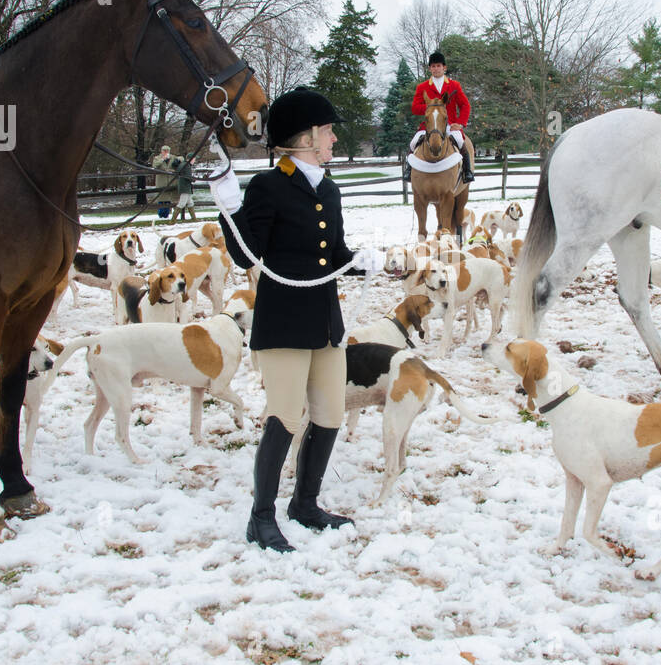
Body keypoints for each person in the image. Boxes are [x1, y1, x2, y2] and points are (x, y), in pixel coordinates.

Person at [209, 87, 383, 552]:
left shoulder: (328, 187)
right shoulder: (269, 185)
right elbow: (246, 249)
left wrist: (362, 260)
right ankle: (259, 518)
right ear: (306, 137)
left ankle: (305, 504)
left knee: (328, 416)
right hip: (284, 322)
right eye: (327, 132)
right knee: (285, 418)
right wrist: (229, 206)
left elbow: (335, 253)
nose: (333, 140)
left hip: (326, 321)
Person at [409, 51, 476, 184]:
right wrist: (432, 109)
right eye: (433, 66)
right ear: (430, 69)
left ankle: (467, 172)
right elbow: (415, 107)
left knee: (460, 141)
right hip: (430, 125)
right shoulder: (422, 87)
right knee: (413, 142)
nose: (436, 69)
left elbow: (465, 105)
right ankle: (408, 171)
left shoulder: (454, 85)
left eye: (438, 66)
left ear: (444, 67)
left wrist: (460, 123)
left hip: (450, 124)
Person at [170, 154, 196, 223]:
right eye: (194, 159)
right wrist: (194, 179)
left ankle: (194, 218)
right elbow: (188, 177)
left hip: (184, 186)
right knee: (181, 204)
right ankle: (172, 220)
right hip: (185, 187)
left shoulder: (183, 164)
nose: (194, 160)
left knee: (190, 202)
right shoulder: (187, 166)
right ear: (191, 159)